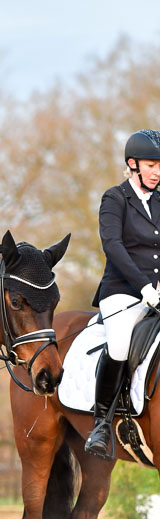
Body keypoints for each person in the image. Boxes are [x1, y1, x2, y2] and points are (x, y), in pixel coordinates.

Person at [85, 129, 160, 458]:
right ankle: (102, 422)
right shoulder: (115, 198)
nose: (157, 171)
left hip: (157, 292)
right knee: (118, 343)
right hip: (123, 293)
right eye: (151, 165)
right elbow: (113, 246)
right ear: (132, 164)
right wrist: (144, 287)